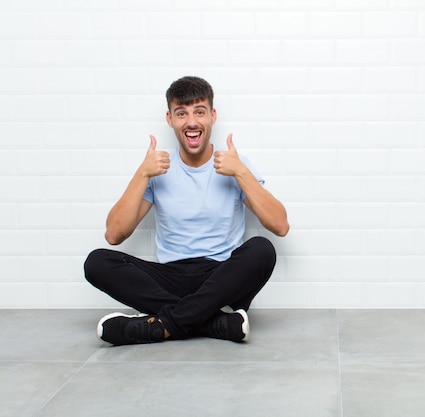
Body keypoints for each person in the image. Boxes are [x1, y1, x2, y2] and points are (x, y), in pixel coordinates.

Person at [84, 76, 289, 346]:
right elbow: (114, 235)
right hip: (170, 277)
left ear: (212, 116)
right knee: (97, 262)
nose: (191, 122)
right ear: (169, 119)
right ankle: (214, 322)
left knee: (262, 249)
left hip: (222, 279)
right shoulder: (157, 168)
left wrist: (240, 171)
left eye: (199, 112)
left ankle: (163, 324)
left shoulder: (235, 164)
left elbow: (280, 225)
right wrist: (142, 174)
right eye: (181, 113)